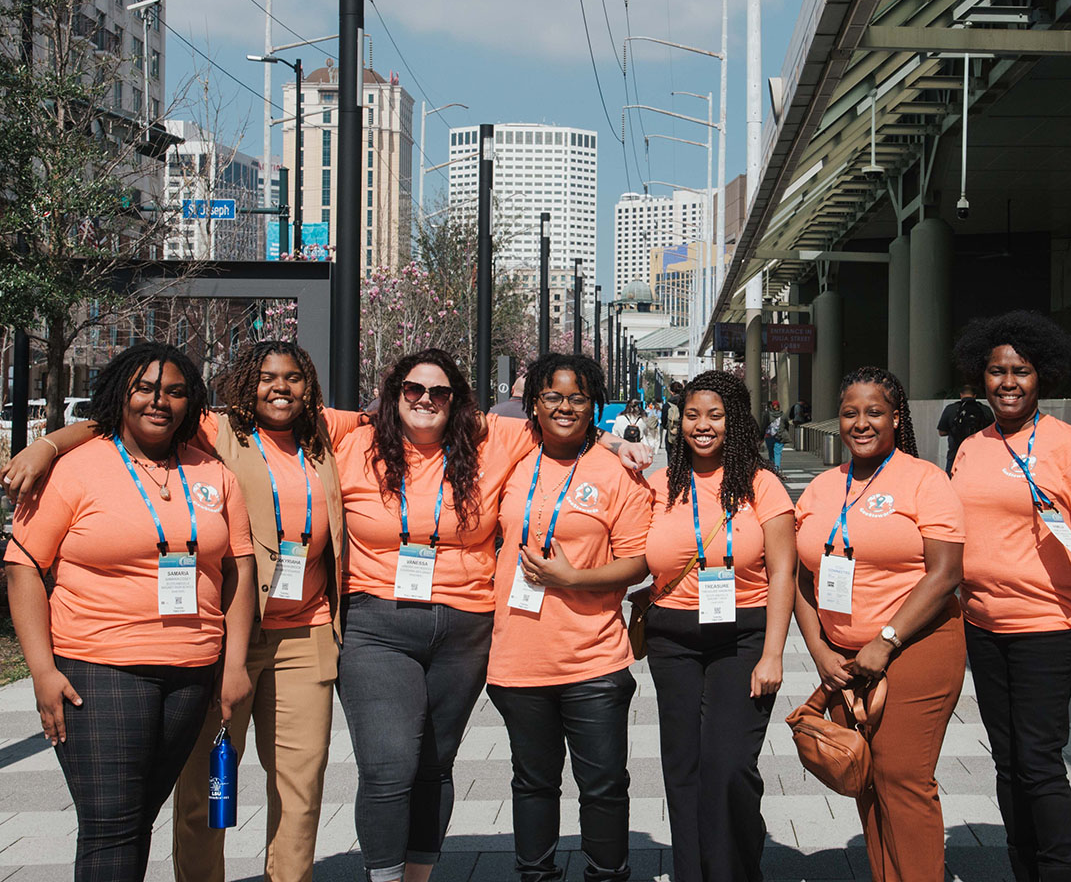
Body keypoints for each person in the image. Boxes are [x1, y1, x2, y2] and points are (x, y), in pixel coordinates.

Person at [7, 340, 351, 882]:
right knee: (189, 796)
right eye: (266, 376)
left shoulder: (326, 436)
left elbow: (413, 415)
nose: (279, 388)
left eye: (292, 378)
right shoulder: (214, 429)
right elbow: (115, 425)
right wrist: (47, 445)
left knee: (299, 787)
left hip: (278, 639)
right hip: (181, 646)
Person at [329, 348, 649, 882]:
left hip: (497, 637)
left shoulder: (505, 443)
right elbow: (282, 410)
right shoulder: (356, 441)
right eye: (412, 390)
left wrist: (618, 441)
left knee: (444, 766)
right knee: (395, 768)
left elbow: (632, 546)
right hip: (414, 633)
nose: (425, 400)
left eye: (440, 393)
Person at [950, 311, 1071, 882]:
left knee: (1038, 761)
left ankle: (1059, 871)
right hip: (982, 625)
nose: (1007, 382)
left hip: (1047, 628)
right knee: (1007, 762)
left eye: (1020, 372)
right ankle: (1024, 868)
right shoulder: (971, 445)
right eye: (997, 371)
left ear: (1041, 377)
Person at [793, 366, 967, 882]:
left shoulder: (925, 480)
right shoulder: (823, 487)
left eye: (874, 412)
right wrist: (821, 652)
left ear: (896, 418)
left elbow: (946, 574)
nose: (861, 423)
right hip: (844, 659)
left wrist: (886, 640)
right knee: (865, 777)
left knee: (903, 779)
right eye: (850, 412)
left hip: (916, 647)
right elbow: (805, 577)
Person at [486, 353, 652, 882]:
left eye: (577, 398)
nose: (564, 407)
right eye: (552, 396)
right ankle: (536, 875)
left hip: (593, 658)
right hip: (518, 656)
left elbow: (637, 561)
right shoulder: (511, 453)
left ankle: (607, 874)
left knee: (603, 784)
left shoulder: (618, 474)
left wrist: (572, 579)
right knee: (532, 783)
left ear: (593, 406)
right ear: (532, 403)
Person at [643, 370, 796, 882]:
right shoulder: (657, 484)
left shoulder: (762, 484)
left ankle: (734, 869)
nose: (702, 426)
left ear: (735, 422)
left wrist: (774, 653)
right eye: (691, 415)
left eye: (715, 415)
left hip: (743, 636)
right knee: (683, 769)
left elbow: (783, 572)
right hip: (673, 639)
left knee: (729, 766)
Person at [936, 384, 994, 475]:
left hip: (955, 453)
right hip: (979, 453)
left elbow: (941, 432)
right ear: (975, 396)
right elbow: (993, 431)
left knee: (951, 483)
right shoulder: (984, 409)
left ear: (961, 395)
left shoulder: (951, 409)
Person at [761, 401, 792, 471]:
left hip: (769, 436)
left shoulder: (767, 415)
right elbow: (787, 425)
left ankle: (772, 466)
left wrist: (761, 436)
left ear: (771, 407)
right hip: (780, 436)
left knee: (771, 452)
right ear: (779, 406)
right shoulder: (783, 415)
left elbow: (764, 426)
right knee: (778, 452)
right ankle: (777, 467)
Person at [664, 382, 684, 465]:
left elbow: (664, 422)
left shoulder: (667, 405)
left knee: (671, 456)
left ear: (671, 392)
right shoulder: (685, 403)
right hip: (683, 435)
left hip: (671, 435)